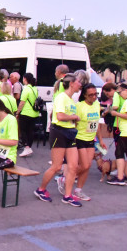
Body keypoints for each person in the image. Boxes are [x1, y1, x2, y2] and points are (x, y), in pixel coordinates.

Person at [34, 73, 83, 207]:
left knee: (73, 166)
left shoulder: (71, 99)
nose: (80, 84)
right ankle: (41, 189)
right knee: (56, 166)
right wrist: (75, 117)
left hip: (70, 132)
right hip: (59, 132)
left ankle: (67, 196)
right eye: (78, 82)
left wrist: (74, 120)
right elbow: (60, 116)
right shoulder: (61, 97)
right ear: (71, 83)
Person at [72, 83, 104, 201]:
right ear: (84, 95)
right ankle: (67, 177)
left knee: (88, 166)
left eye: (96, 94)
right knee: (84, 165)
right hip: (80, 138)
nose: (94, 97)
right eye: (91, 95)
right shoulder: (79, 106)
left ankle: (78, 190)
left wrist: (100, 140)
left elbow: (96, 124)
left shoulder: (96, 104)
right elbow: (73, 124)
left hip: (91, 139)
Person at [16, 73, 40, 158]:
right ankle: (29, 147)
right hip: (34, 113)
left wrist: (17, 112)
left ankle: (26, 147)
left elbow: (22, 102)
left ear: (25, 79)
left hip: (26, 113)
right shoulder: (35, 88)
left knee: (23, 131)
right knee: (30, 131)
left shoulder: (26, 89)